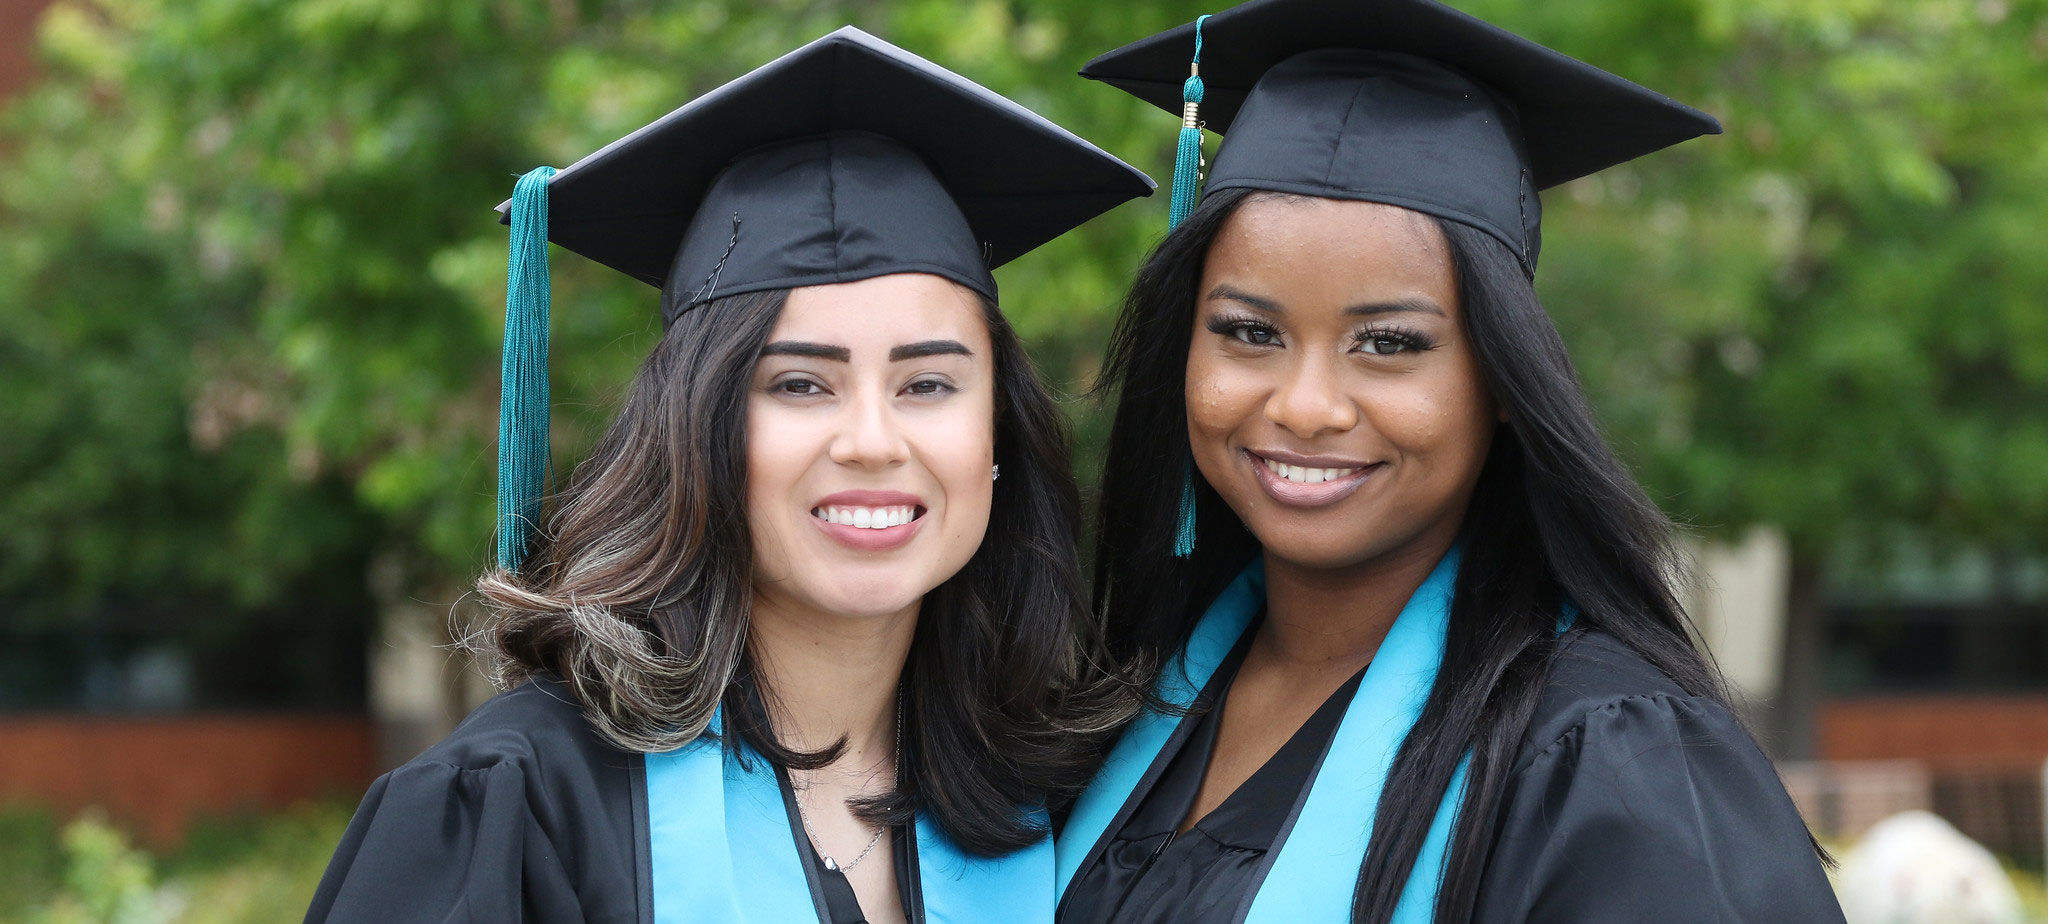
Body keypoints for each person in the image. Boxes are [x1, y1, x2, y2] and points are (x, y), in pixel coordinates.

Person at [306, 26, 1153, 924]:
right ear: (699, 430)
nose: (873, 440)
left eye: (928, 384)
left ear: (997, 438)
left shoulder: (1065, 807)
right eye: (799, 384)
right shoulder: (520, 805)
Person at [1054, 1, 1847, 922]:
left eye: (1389, 343)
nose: (1305, 405)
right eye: (1248, 332)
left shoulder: (1605, 762)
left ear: (1505, 381)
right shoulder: (1124, 706)